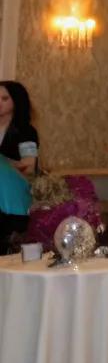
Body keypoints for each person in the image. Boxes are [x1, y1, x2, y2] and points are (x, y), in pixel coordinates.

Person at [0, 80, 38, 252]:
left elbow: (29, 166)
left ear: (16, 101)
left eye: (4, 98)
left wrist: (4, 161)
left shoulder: (25, 131)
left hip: (13, 202)